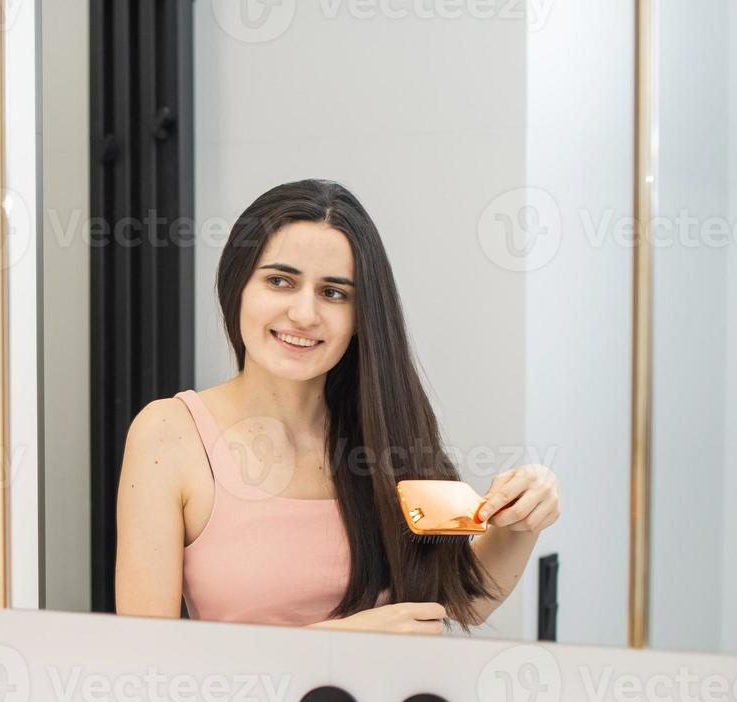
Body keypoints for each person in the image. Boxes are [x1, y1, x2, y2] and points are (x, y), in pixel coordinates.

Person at [115, 179, 560, 632]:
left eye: (333, 293)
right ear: (238, 287)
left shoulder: (387, 429)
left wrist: (521, 521)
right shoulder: (169, 434)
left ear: (360, 316)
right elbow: (148, 663)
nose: (304, 315)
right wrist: (344, 641)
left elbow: (457, 603)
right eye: (279, 281)